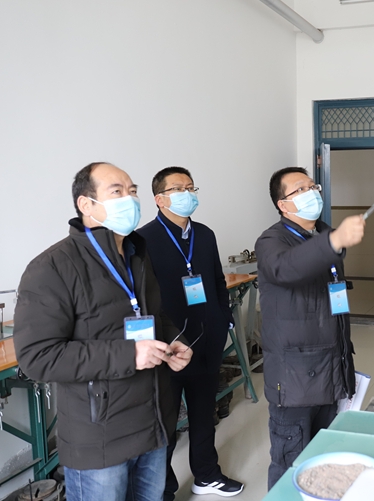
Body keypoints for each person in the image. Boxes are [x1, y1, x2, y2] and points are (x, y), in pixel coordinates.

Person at [14, 162, 193, 501]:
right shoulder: (52, 267)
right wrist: (130, 354)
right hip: (100, 440)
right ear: (86, 204)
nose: (130, 199)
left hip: (153, 424)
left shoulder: (138, 255)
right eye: (117, 191)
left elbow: (155, 316)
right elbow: (38, 357)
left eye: (133, 191)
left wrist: (173, 341)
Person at [137, 167, 244, 499]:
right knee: (165, 423)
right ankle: (163, 490)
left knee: (203, 413)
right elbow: (140, 298)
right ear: (160, 199)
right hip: (168, 348)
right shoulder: (142, 240)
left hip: (206, 339)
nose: (187, 194)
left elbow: (217, 281)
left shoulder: (205, 235)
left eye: (190, 187)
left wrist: (223, 318)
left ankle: (206, 474)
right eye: (178, 188)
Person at [255, 167, 365, 489]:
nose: (311, 193)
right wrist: (334, 241)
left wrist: (332, 240)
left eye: (312, 186)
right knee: (291, 462)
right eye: (300, 189)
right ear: (283, 205)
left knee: (322, 458)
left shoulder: (322, 233)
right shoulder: (271, 241)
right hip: (295, 378)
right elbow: (286, 268)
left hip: (331, 365)